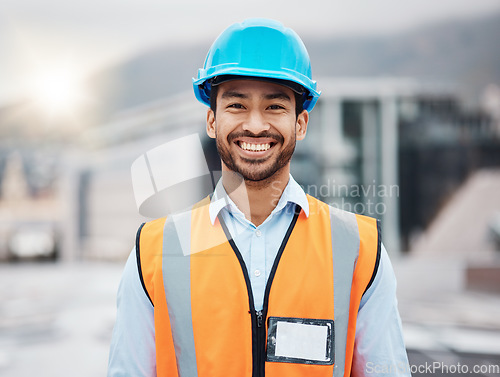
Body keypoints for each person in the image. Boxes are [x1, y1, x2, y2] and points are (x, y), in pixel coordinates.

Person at [107, 18, 411, 377]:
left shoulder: (360, 249)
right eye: (236, 105)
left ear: (300, 123)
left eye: (275, 106)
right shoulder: (153, 252)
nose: (255, 125)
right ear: (211, 121)